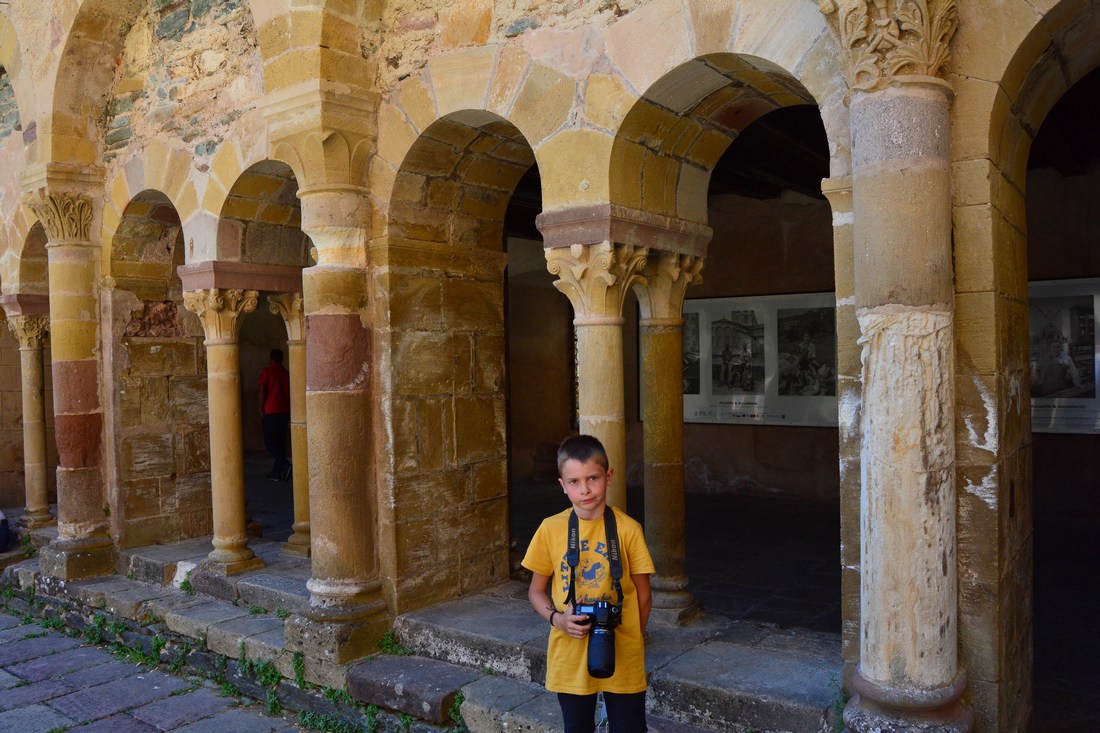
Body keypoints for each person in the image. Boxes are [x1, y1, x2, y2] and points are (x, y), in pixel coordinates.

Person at [523, 435, 655, 733]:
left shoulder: (629, 530)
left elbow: (644, 596)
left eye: (593, 478)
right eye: (574, 482)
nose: (584, 490)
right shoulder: (551, 529)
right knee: (577, 727)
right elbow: (535, 590)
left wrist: (632, 637)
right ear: (562, 485)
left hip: (622, 647)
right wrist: (558, 619)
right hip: (569, 648)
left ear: (608, 477)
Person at [258, 348, 291, 481]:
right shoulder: (286, 374)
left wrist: (260, 408)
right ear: (282, 359)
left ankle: (285, 463)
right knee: (280, 442)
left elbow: (262, 391)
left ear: (270, 358)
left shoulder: (266, 372)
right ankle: (277, 472)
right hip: (284, 411)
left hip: (271, 411)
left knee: (269, 442)